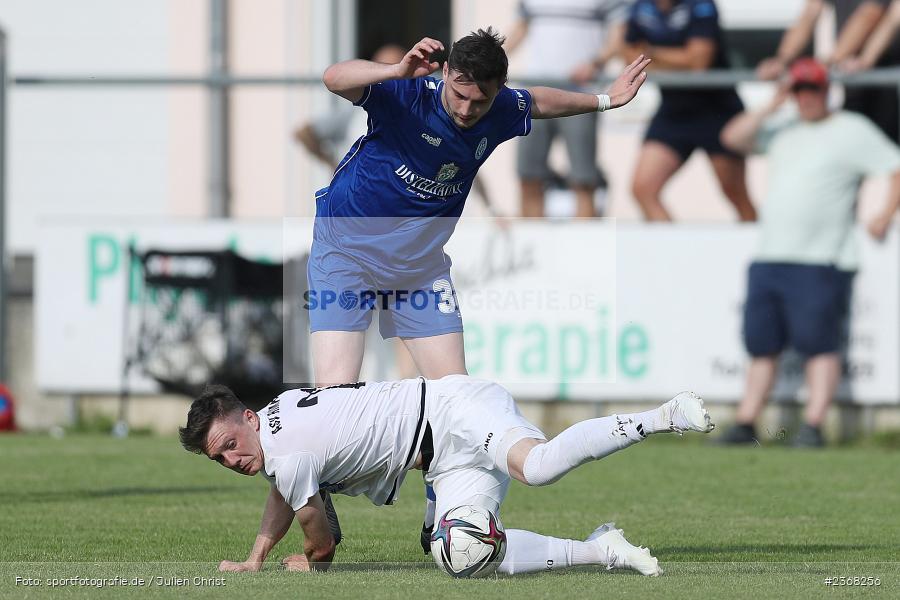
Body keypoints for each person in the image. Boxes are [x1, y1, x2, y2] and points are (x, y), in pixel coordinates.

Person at [310, 28, 651, 547]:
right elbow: (334, 78)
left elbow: (539, 102)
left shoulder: (501, 107)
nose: (468, 109)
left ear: (497, 91)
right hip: (345, 251)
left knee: (458, 400)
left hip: (419, 269)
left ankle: (441, 517)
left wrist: (605, 100)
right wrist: (395, 69)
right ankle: (319, 514)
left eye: (481, 99)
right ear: (446, 73)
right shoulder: (406, 93)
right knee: (334, 404)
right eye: (460, 94)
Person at [178, 376, 715, 575]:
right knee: (462, 555)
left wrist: (311, 560)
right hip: (443, 460)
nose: (231, 460)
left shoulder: (284, 451)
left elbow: (319, 539)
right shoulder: (278, 416)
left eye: (228, 445)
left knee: (538, 466)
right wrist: (255, 559)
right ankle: (605, 549)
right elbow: (284, 488)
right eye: (218, 459)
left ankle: (661, 416)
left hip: (455, 412)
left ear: (247, 419)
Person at [719, 58, 900, 447]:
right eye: (799, 90)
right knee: (761, 345)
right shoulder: (782, 128)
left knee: (819, 344)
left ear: (826, 91)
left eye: (812, 89)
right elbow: (732, 138)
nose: (805, 98)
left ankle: (813, 426)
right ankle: (747, 424)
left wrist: (885, 212)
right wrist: (772, 103)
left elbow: (895, 166)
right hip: (770, 255)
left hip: (821, 259)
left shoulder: (853, 130)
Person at [623, 0, 756, 222]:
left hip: (717, 110)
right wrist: (677, 58)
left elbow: (699, 62)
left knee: (735, 194)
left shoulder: (701, 5)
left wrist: (651, 53)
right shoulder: (640, 8)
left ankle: (760, 250)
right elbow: (629, 57)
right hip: (673, 110)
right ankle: (671, 252)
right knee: (643, 189)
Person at [504, 0, 632, 218]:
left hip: (580, 95)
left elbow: (620, 37)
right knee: (529, 179)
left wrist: (595, 63)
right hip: (534, 94)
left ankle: (583, 248)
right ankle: (532, 248)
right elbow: (520, 29)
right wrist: (488, 59)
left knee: (583, 180)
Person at [757, 0, 900, 142]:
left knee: (882, 143)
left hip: (884, 81)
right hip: (853, 77)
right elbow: (809, 14)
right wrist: (782, 60)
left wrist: (830, 63)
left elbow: (871, 13)